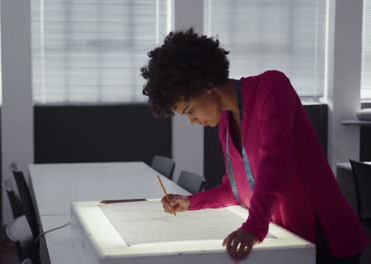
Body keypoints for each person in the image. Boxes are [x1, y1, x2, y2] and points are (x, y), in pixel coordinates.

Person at [140, 28, 368, 263]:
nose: (193, 121)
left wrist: (253, 227)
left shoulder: (272, 88)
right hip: (288, 236)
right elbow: (237, 190)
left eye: (190, 110)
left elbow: (274, 166)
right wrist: (191, 202)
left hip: (325, 235)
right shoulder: (225, 124)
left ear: (206, 85)